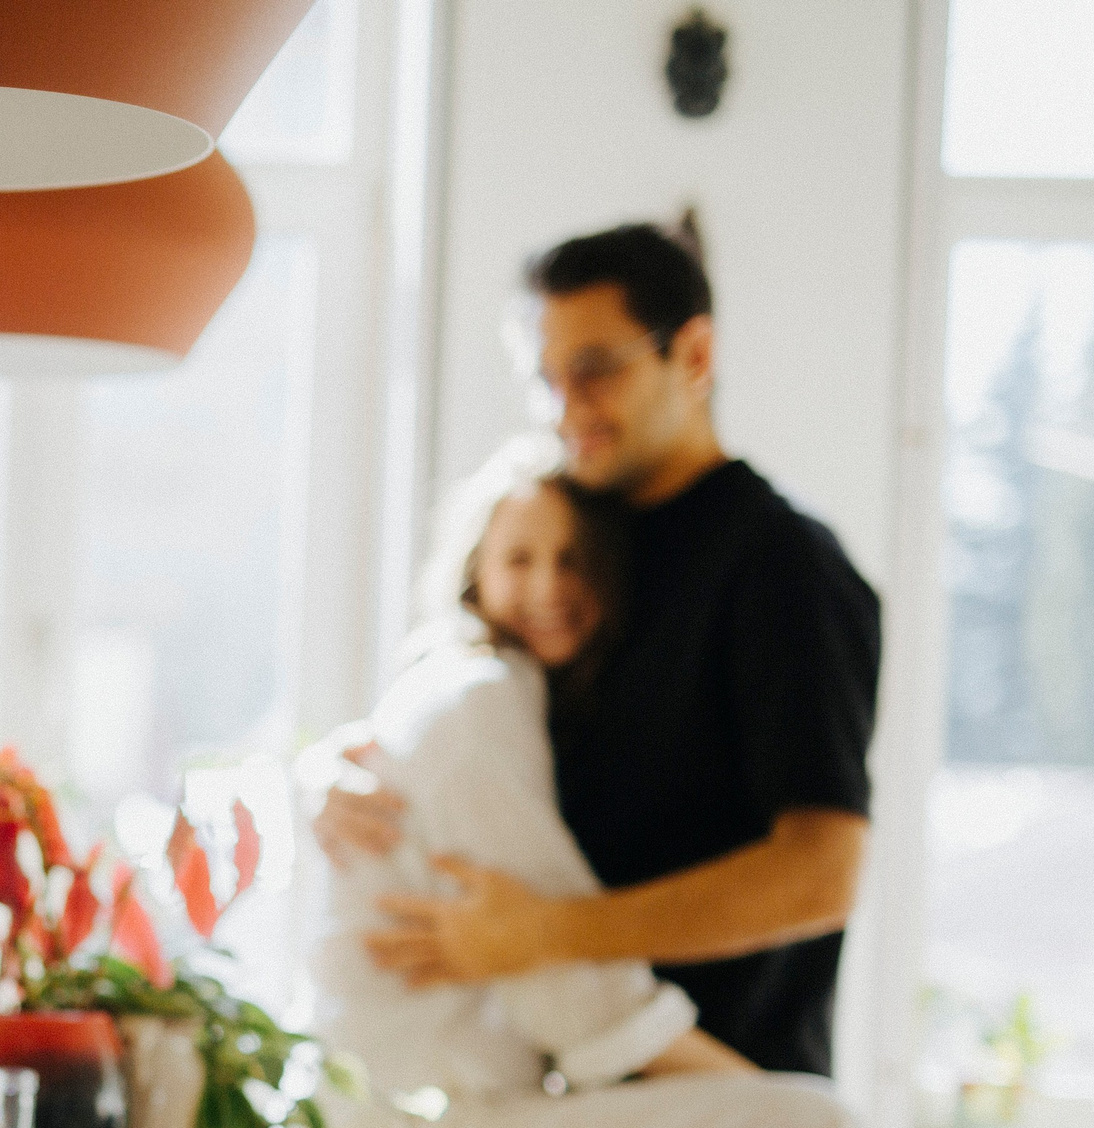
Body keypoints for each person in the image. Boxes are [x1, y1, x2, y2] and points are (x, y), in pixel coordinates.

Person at [307, 436, 891, 1128]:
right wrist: (749, 1099)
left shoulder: (466, 693)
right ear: (472, 565)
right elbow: (562, 979)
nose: (547, 588)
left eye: (575, 561)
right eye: (518, 556)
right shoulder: (484, 701)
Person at [328, 221, 881, 1081]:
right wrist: (339, 772)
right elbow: (464, 699)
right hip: (575, 1083)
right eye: (545, 381)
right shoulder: (582, 543)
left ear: (694, 356)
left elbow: (820, 874)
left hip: (728, 1093)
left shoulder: (784, 564)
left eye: (595, 371)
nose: (564, 410)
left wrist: (543, 933)